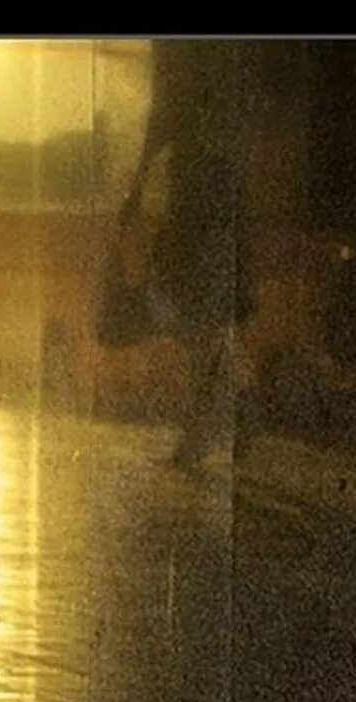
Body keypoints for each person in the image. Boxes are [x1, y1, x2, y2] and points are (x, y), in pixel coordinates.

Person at [120, 41, 255, 470]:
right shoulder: (211, 119)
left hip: (194, 233)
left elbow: (160, 149)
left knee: (197, 330)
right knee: (203, 333)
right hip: (201, 231)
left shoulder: (185, 122)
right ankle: (228, 417)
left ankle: (207, 431)